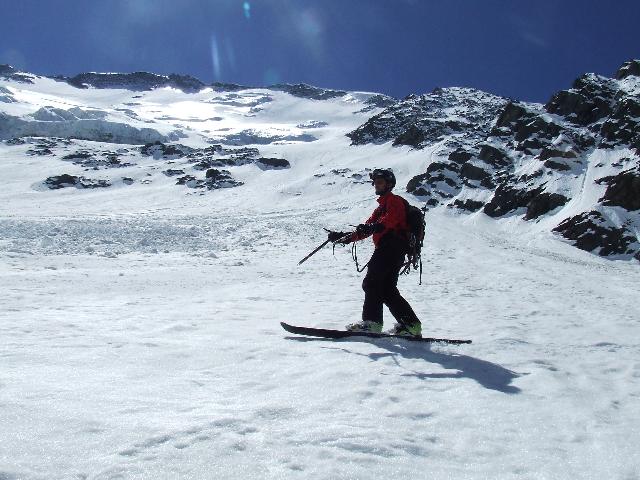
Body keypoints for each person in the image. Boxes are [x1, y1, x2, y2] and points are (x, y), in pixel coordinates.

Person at [328, 168, 422, 337]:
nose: (376, 186)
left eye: (379, 182)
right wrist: (343, 237)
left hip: (391, 247)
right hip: (394, 250)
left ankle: (372, 324)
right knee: (387, 289)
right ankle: (411, 325)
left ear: (389, 184)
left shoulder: (394, 201)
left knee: (371, 283)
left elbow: (391, 220)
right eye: (375, 183)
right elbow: (366, 229)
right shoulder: (380, 208)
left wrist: (376, 226)